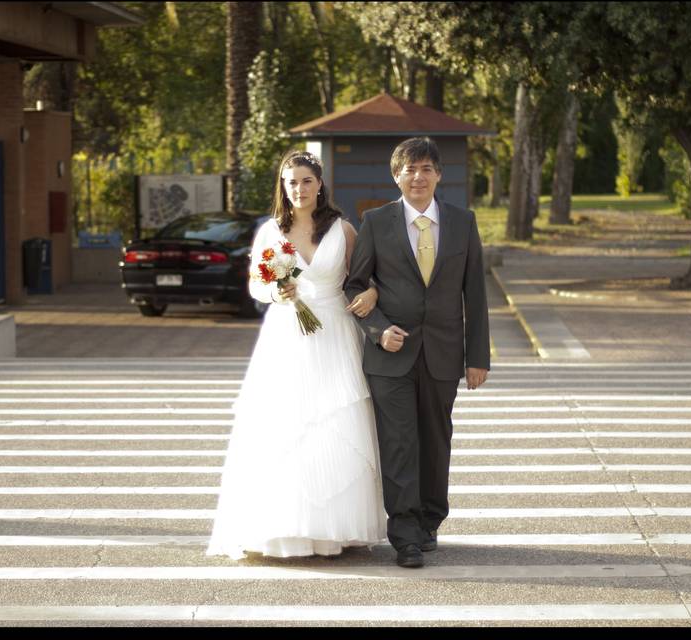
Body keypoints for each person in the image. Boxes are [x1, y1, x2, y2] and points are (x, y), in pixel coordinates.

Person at [206, 150, 386, 560]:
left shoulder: (343, 230)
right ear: (282, 188)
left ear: (319, 184)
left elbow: (364, 278)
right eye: (291, 182)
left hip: (334, 334)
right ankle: (284, 526)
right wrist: (277, 291)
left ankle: (334, 529)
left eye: (306, 181)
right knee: (287, 426)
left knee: (335, 422)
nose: (299, 189)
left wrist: (372, 291)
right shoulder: (271, 231)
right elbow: (256, 284)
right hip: (287, 334)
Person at [345, 137, 490, 568]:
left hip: (444, 353)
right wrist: (376, 329)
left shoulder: (463, 222)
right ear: (396, 176)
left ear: (438, 175)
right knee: (399, 444)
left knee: (435, 440)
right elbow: (354, 285)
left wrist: (477, 356)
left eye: (426, 169)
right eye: (409, 170)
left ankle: (429, 521)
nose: (418, 177)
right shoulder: (376, 222)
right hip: (391, 357)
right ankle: (404, 534)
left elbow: (475, 293)